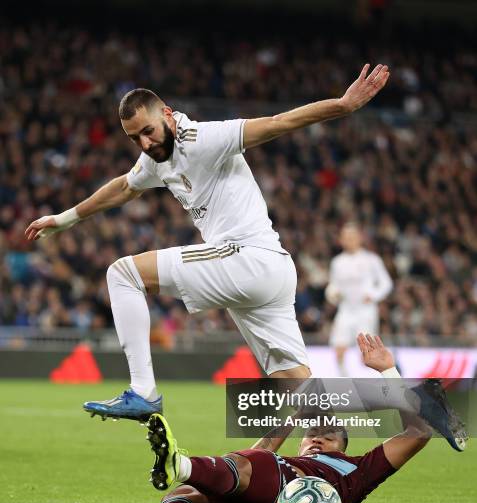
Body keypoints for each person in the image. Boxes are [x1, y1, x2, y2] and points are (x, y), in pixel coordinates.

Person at [25, 64, 390, 421]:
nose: (145, 143)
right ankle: (408, 409)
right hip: (270, 272)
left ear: (167, 115)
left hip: (247, 257)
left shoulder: (204, 139)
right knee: (298, 388)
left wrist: (342, 106)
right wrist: (65, 218)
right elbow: (123, 186)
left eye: (148, 131)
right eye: (134, 137)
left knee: (123, 274)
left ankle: (143, 392)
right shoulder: (156, 158)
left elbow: (279, 123)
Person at [93, 334, 467, 503]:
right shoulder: (286, 454)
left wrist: (389, 372)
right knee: (192, 495)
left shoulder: (356, 471)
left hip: (284, 490)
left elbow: (417, 432)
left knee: (255, 462)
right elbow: (263, 446)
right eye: (312, 432)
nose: (318, 436)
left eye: (330, 434)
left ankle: (181, 463)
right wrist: (293, 413)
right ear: (301, 441)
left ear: (344, 444)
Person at [326, 223, 393, 376]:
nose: (348, 240)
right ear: (341, 240)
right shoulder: (337, 262)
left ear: (359, 238)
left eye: (352, 237)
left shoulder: (371, 259)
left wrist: (374, 295)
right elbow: (333, 286)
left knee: (366, 352)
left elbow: (386, 283)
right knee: (339, 347)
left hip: (365, 311)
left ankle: (371, 383)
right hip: (346, 310)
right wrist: (332, 295)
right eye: (345, 237)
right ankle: (343, 380)